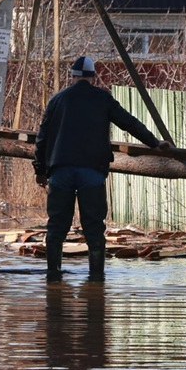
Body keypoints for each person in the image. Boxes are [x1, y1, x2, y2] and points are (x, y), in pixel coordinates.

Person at [32, 56, 170, 283]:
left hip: (60, 172)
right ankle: (97, 279)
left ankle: (53, 276)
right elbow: (129, 122)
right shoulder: (102, 99)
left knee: (56, 227)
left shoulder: (57, 100)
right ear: (93, 77)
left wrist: (40, 169)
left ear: (73, 76)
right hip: (91, 173)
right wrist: (155, 143)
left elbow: (42, 138)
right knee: (94, 229)